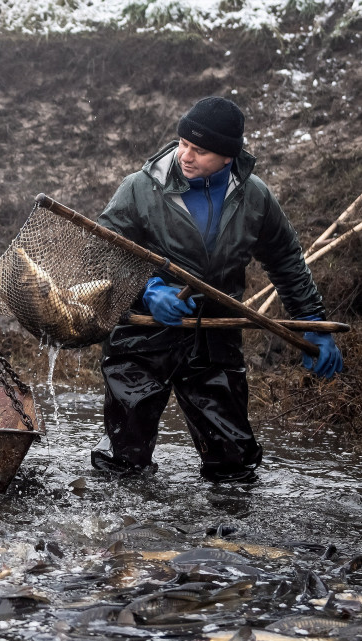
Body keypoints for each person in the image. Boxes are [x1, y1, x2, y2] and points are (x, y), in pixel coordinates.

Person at [91, 96, 344, 483]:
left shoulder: (254, 196)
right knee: (123, 463)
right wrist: (150, 289)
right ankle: (125, 533)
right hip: (141, 336)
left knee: (233, 464)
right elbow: (104, 253)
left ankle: (229, 537)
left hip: (214, 334)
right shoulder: (140, 189)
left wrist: (312, 323)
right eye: (183, 143)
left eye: (200, 150)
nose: (185, 156)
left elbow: (287, 262)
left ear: (228, 156)